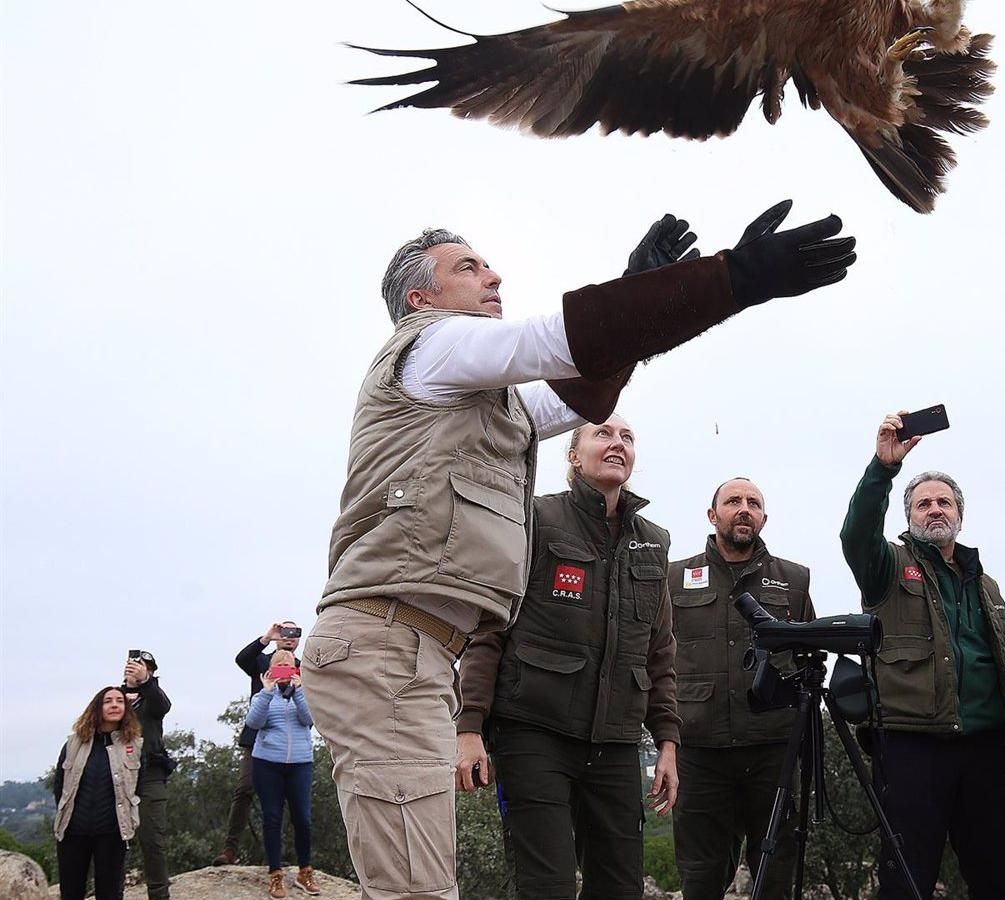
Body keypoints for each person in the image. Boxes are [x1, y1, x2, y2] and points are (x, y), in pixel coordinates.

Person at [300, 203, 856, 900]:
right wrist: (732, 279)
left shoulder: (486, 400)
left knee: (420, 886)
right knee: (416, 890)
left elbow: (584, 390)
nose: (493, 274)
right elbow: (563, 339)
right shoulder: (431, 344)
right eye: (468, 267)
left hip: (415, 652)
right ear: (422, 297)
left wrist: (641, 300)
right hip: (384, 645)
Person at [455, 414, 680, 900]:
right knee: (546, 886)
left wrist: (667, 741)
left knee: (621, 888)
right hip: (533, 731)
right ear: (574, 457)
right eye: (603, 433)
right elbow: (488, 626)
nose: (618, 442)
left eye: (628, 436)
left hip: (617, 742)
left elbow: (659, 652)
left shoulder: (653, 544)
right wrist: (469, 725)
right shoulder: (533, 518)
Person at [838, 411, 1005, 900]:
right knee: (906, 882)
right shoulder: (887, 567)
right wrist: (882, 470)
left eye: (944, 502)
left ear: (960, 514)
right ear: (909, 516)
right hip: (910, 749)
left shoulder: (986, 586)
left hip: (985, 752)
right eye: (923, 504)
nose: (935, 510)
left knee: (994, 881)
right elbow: (855, 536)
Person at [668, 477, 816, 900]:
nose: (744, 508)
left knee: (775, 874)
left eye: (753, 503)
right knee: (700, 876)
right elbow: (655, 653)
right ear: (713, 515)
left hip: (772, 748)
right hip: (698, 749)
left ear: (764, 518)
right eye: (733, 501)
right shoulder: (674, 577)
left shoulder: (794, 579)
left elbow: (807, 660)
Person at [216, 621, 303, 867]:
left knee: (279, 797)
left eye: (295, 633)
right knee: (244, 789)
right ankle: (229, 850)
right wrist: (267, 637)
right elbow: (242, 659)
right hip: (257, 737)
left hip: (287, 739)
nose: (289, 637)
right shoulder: (262, 663)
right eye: (284, 632)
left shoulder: (301, 668)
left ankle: (273, 856)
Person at [54, 686, 142, 900]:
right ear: (97, 707)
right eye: (108, 701)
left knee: (110, 893)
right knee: (71, 892)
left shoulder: (135, 745)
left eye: (120, 701)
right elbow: (60, 784)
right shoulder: (74, 743)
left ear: (126, 708)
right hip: (74, 830)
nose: (114, 705)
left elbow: (139, 785)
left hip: (112, 831)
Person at [246, 649, 320, 898]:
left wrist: (299, 690)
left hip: (300, 763)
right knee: (272, 818)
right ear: (270, 669)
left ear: (296, 669)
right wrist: (267, 691)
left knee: (303, 818)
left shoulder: (304, 693)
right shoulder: (262, 695)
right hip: (267, 763)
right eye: (279, 665)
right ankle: (275, 874)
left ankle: (304, 871)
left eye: (288, 665)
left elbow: (309, 719)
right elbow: (254, 723)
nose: (284, 669)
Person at [122, 650, 172, 900]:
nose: (136, 669)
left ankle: (159, 895)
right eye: (133, 665)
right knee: (112, 842)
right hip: (118, 776)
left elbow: (164, 705)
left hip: (150, 775)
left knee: (153, 841)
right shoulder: (114, 698)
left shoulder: (153, 698)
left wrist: (145, 682)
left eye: (143, 667)